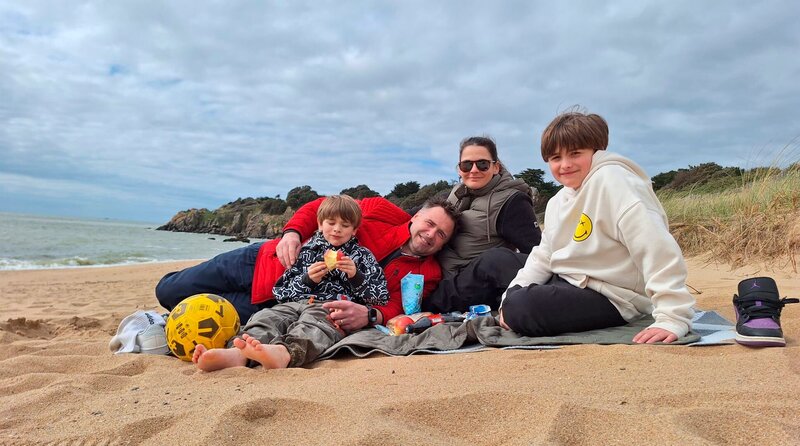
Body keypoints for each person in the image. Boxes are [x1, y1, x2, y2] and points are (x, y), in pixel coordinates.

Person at [499, 109, 695, 343]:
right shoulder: (557, 201)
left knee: (522, 307)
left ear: (596, 150)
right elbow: (543, 256)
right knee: (504, 278)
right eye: (556, 158)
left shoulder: (614, 180)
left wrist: (673, 317)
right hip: (569, 282)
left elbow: (654, 246)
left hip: (616, 296)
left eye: (575, 153)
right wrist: (508, 296)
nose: (565, 165)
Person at [155, 195, 459, 329]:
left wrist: (369, 315)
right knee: (168, 292)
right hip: (264, 261)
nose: (431, 234)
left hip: (276, 305)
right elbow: (321, 206)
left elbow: (395, 306)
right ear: (417, 215)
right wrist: (291, 232)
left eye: (441, 234)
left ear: (444, 243)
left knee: (195, 312)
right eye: (429, 223)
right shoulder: (381, 210)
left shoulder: (427, 272)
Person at [192, 195, 389, 370]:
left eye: (345, 226)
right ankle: (237, 353)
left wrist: (356, 276)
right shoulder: (306, 251)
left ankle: (283, 353)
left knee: (315, 326)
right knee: (267, 317)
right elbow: (281, 292)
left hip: (329, 307)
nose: (337, 229)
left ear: (354, 231)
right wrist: (308, 279)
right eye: (331, 223)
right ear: (320, 224)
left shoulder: (362, 256)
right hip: (293, 303)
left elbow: (380, 296)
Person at [422, 136, 542, 313]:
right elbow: (419, 213)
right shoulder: (457, 192)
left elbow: (536, 253)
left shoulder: (512, 202)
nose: (474, 170)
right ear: (459, 169)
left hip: (467, 286)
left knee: (494, 259)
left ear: (496, 167)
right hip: (435, 273)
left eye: (483, 164)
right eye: (467, 165)